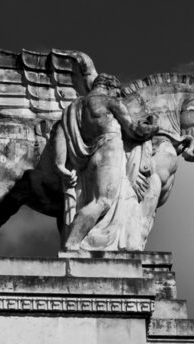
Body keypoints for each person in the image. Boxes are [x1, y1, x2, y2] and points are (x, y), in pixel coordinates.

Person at [57, 73, 158, 250]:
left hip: (89, 156)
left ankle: (74, 240)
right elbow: (134, 130)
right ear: (110, 87)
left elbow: (61, 134)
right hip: (110, 152)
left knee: (95, 200)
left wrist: (60, 165)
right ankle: (72, 243)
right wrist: (153, 126)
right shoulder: (110, 102)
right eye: (116, 92)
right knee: (103, 201)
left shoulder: (74, 107)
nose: (118, 95)